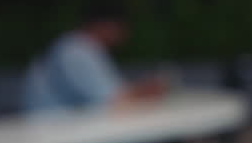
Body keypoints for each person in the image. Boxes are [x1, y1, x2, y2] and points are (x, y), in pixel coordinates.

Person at [23, 6, 168, 113]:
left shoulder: (85, 48)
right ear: (105, 26)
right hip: (51, 132)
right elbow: (110, 101)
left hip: (61, 128)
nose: (125, 36)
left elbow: (113, 93)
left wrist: (142, 90)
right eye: (121, 29)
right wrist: (146, 90)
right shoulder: (75, 51)